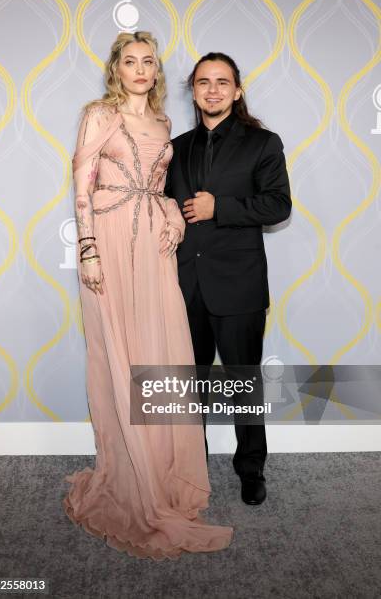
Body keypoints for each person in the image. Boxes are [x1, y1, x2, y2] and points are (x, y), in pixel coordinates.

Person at [62, 33, 233, 560]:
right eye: (130, 62)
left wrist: (173, 223)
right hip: (109, 242)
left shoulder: (163, 125)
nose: (140, 69)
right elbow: (82, 182)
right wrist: (87, 249)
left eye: (148, 62)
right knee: (118, 352)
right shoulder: (99, 113)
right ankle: (129, 476)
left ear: (157, 71)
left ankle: (160, 471)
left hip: (153, 249)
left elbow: (160, 190)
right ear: (117, 69)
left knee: (158, 355)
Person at [165, 52, 292, 506]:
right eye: (203, 82)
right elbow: (163, 208)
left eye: (222, 82)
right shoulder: (175, 147)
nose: (212, 89)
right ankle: (190, 469)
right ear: (193, 90)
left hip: (238, 284)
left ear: (236, 91)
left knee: (243, 382)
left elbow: (279, 206)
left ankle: (251, 468)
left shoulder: (263, 143)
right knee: (189, 385)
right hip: (183, 284)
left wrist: (221, 208)